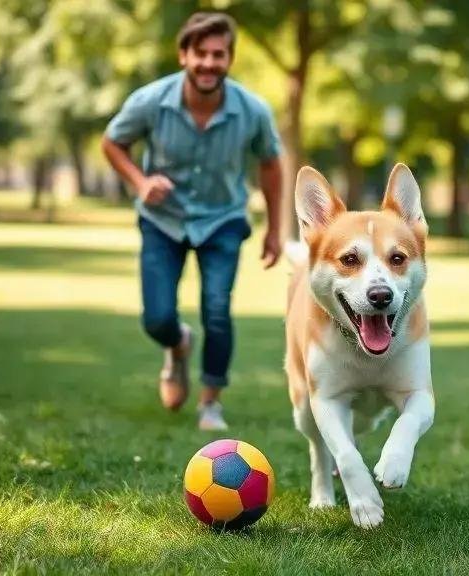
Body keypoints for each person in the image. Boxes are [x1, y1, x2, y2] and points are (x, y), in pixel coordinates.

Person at [101, 12, 283, 430]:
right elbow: (112, 142)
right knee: (157, 318)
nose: (208, 63)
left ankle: (210, 403)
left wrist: (275, 229)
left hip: (223, 219)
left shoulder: (252, 110)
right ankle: (178, 345)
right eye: (200, 53)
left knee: (217, 310)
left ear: (230, 59)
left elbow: (271, 164)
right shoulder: (151, 101)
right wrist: (141, 182)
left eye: (218, 55)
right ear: (184, 55)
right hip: (162, 220)